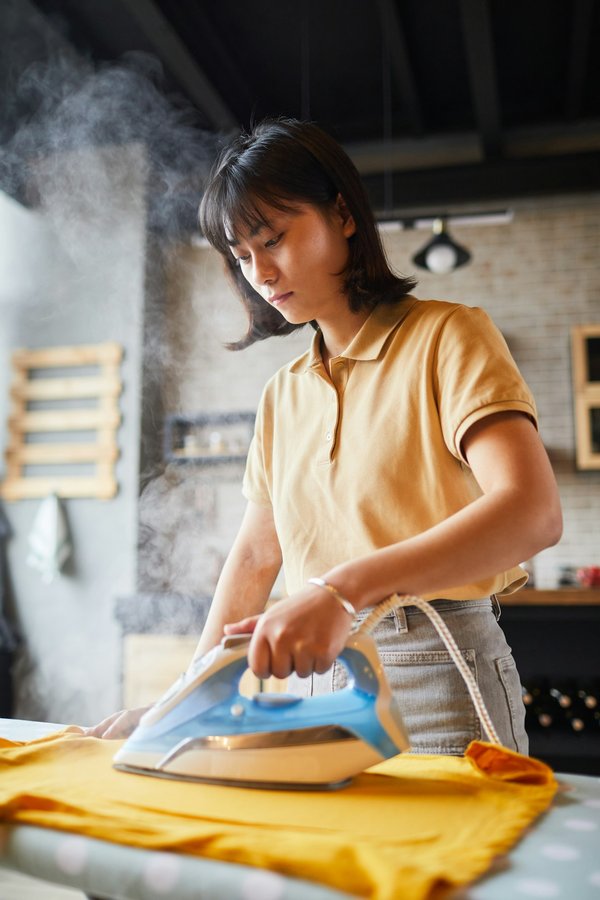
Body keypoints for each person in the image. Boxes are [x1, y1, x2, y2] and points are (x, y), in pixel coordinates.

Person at [89, 117, 562, 752]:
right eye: (242, 255)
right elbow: (256, 559)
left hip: (439, 675)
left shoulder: (450, 336)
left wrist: (342, 590)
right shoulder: (282, 394)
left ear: (342, 214)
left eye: (274, 238)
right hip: (313, 685)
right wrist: (184, 697)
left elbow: (532, 513)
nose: (260, 271)